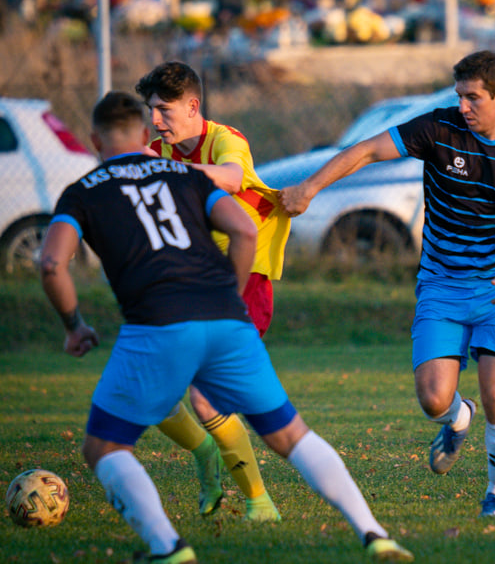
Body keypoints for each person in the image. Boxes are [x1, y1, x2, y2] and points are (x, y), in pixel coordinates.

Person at [39, 91, 413, 564]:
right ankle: (374, 533)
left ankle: (167, 548)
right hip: (226, 320)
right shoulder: (183, 174)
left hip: (157, 325)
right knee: (291, 435)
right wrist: (230, 298)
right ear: (143, 136)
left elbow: (52, 263)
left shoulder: (84, 190)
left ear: (94, 140)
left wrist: (74, 325)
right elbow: (244, 230)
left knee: (105, 446)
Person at [279, 50, 495, 517]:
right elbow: (364, 151)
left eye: (473, 98)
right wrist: (308, 188)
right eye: (459, 96)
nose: (463, 107)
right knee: (432, 399)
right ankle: (456, 418)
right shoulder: (438, 129)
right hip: (442, 285)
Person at [135, 61, 291, 521]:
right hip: (191, 280)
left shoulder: (226, 139)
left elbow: (228, 177)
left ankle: (259, 501)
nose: (156, 121)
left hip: (246, 278)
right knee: (152, 390)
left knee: (206, 396)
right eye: (151, 111)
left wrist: (158, 169)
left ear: (193, 106)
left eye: (164, 110)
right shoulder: (157, 147)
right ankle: (205, 454)